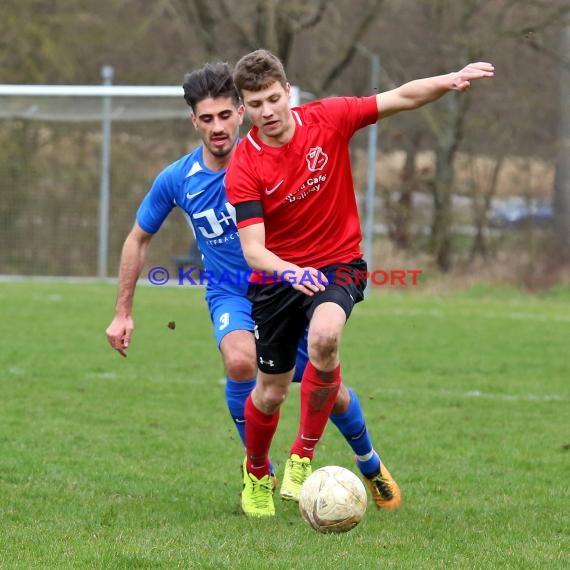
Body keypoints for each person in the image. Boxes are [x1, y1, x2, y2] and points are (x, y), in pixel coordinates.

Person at [226, 49, 494, 517]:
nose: (266, 112)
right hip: (278, 277)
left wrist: (449, 78)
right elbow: (253, 250)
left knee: (327, 338)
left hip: (337, 263)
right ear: (244, 106)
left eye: (272, 98)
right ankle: (255, 471)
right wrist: (291, 271)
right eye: (254, 104)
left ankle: (302, 456)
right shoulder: (245, 164)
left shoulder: (328, 119)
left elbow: (401, 97)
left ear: (288, 92)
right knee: (270, 392)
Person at [105, 62, 390, 498]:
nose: (218, 127)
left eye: (225, 115)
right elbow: (138, 237)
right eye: (207, 118)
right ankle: (259, 473)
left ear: (241, 112)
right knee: (241, 362)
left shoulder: (268, 157)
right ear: (193, 121)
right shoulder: (179, 179)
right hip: (231, 291)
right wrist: (122, 312)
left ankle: (369, 462)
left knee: (331, 391)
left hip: (286, 286)